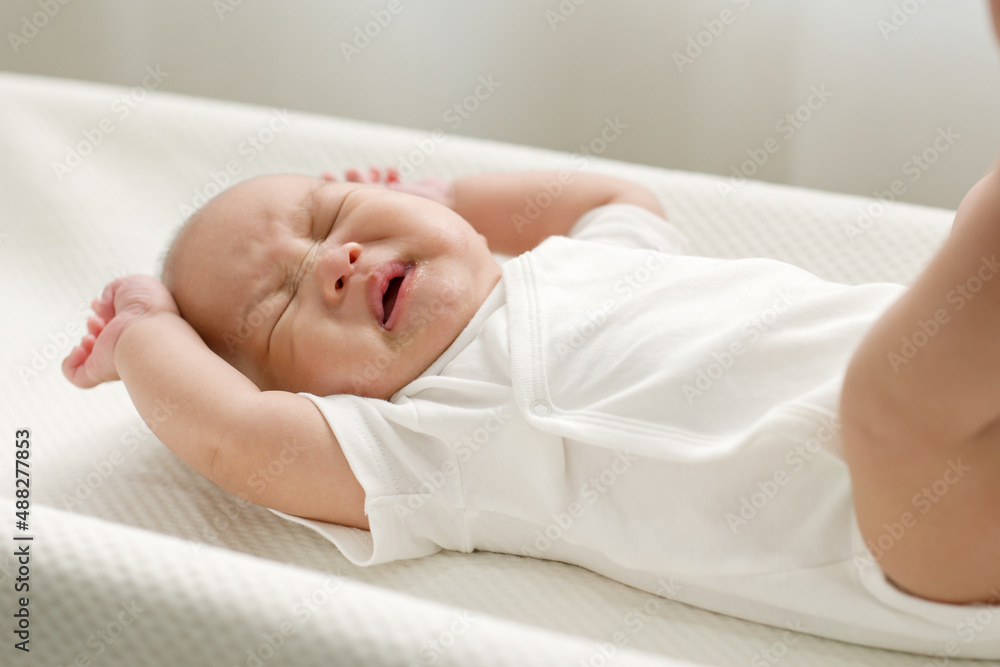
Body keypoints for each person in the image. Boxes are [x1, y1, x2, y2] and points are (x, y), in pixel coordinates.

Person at [61, 10, 1000, 647]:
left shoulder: (592, 261)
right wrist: (145, 331)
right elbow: (234, 436)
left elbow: (614, 194)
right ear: (302, 397)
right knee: (908, 364)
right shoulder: (426, 442)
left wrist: (451, 194)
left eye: (331, 217)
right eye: (281, 304)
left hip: (957, 399)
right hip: (899, 533)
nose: (334, 263)